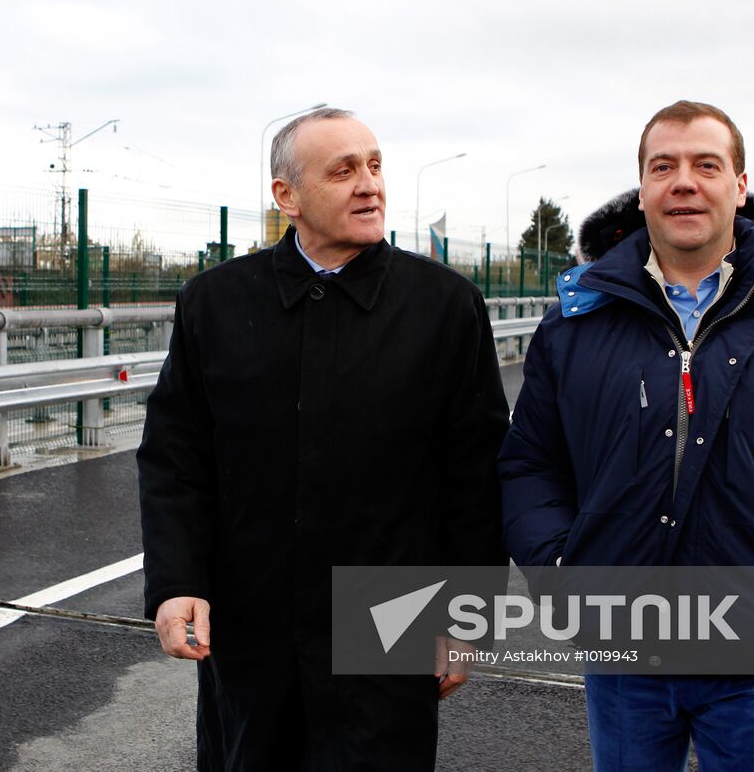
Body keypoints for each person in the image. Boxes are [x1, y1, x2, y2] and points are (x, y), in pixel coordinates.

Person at [498, 100, 754, 770]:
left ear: (739, 186)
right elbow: (531, 464)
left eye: (705, 165)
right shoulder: (576, 323)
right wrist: (562, 568)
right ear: (644, 188)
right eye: (665, 166)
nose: (683, 181)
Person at [137, 108, 509, 770]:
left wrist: (466, 617)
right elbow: (175, 458)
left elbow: (474, 476)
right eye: (343, 171)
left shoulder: (443, 307)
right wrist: (176, 584)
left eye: (373, 165)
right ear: (287, 197)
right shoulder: (215, 304)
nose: (369, 185)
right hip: (251, 627)